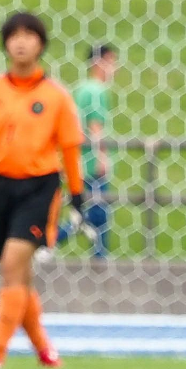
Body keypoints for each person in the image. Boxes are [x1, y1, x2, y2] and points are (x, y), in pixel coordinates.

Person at [0, 12, 89, 369]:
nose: (21, 41)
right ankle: (46, 352)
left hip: (40, 188)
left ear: (41, 44)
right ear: (5, 43)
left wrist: (78, 196)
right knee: (18, 274)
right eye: (14, 35)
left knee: (13, 264)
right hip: (2, 186)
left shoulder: (56, 97)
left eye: (29, 35)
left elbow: (71, 149)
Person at [54, 44, 116, 258]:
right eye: (112, 62)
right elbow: (94, 126)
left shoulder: (81, 88)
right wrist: (102, 158)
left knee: (84, 213)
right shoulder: (97, 91)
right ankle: (99, 261)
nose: (115, 68)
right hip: (90, 163)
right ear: (99, 62)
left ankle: (47, 243)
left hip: (78, 162)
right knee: (98, 215)